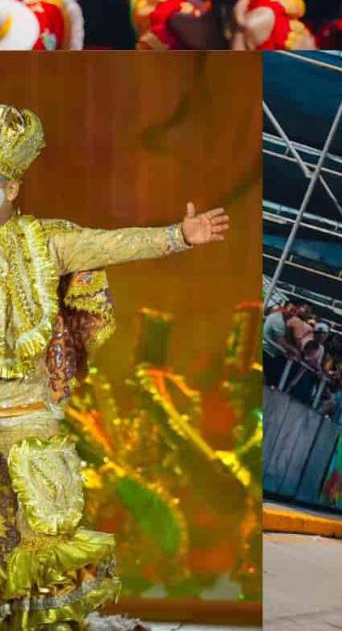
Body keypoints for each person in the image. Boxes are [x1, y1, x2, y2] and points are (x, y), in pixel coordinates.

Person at [0, 103, 229, 625]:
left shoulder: (45, 242)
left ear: (12, 188)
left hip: (28, 417)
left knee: (43, 543)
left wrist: (176, 236)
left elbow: (110, 244)